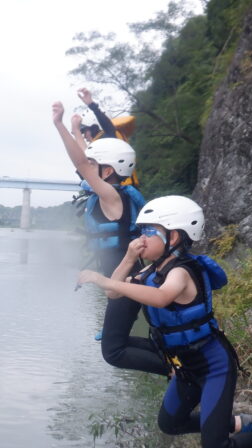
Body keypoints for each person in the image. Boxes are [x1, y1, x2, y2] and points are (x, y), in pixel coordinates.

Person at [76, 195, 252, 448]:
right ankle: (239, 423)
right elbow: (114, 291)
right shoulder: (151, 269)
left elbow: (160, 297)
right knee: (170, 425)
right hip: (184, 368)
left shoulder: (181, 272)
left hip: (214, 366)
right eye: (141, 231)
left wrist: (103, 277)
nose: (142, 238)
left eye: (149, 231)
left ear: (175, 236)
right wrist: (130, 257)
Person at [52, 101, 168, 376]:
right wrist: (75, 129)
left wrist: (58, 125)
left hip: (127, 276)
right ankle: (175, 360)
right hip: (127, 273)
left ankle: (178, 369)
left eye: (94, 167)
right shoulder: (116, 195)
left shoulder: (112, 198)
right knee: (116, 342)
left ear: (106, 171)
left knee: (114, 350)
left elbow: (81, 161)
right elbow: (87, 157)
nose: (85, 171)